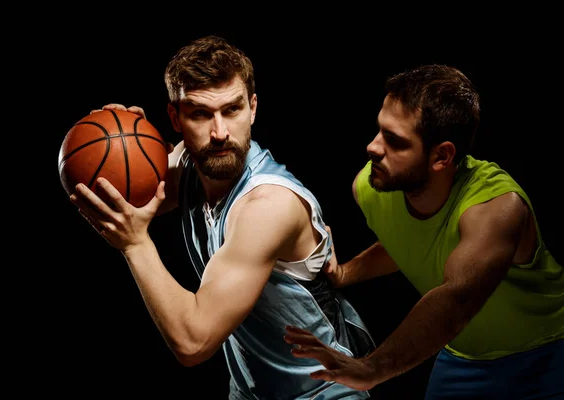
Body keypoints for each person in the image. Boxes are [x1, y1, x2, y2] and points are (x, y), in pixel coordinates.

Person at [68, 35, 375, 399]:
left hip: (323, 394)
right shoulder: (191, 165)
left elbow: (193, 342)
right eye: (200, 113)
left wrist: (135, 245)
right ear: (175, 118)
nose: (219, 133)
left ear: (253, 109)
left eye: (232, 109)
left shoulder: (268, 205)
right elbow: (114, 194)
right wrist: (124, 142)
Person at [283, 64, 564, 399]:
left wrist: (372, 368)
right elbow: (407, 242)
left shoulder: (498, 208)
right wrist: (344, 273)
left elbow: (456, 299)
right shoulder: (370, 188)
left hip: (548, 355)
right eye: (379, 130)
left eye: (395, 141)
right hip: (463, 358)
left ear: (442, 156)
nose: (373, 147)